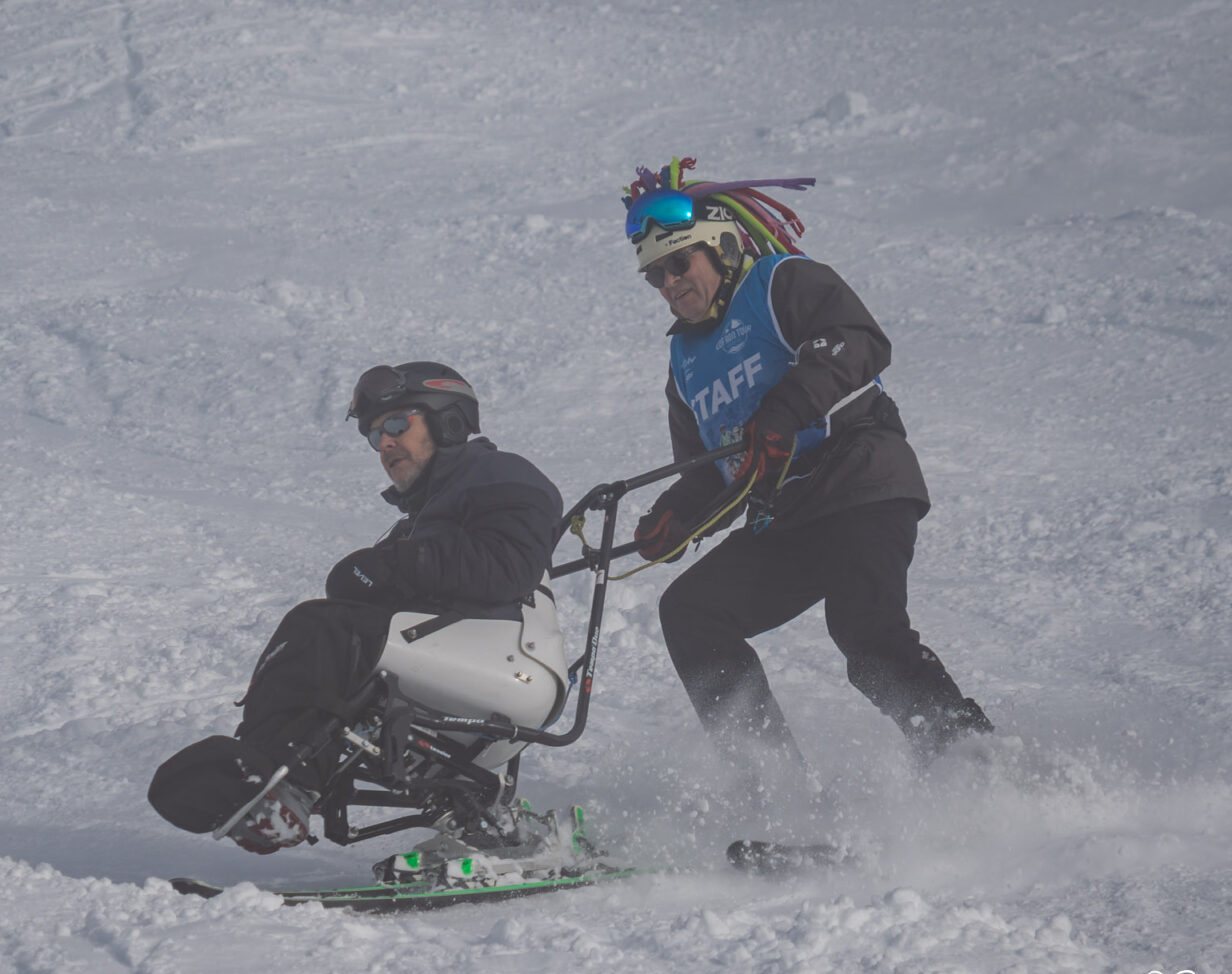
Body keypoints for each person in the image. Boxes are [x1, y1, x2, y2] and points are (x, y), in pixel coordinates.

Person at [620, 159, 992, 774]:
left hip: (860, 483)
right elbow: (712, 471)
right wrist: (676, 516)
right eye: (655, 275)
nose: (669, 283)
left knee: (866, 635)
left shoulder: (779, 282)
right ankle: (774, 789)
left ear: (722, 246)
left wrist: (785, 410)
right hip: (789, 520)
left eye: (679, 263)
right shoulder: (684, 362)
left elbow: (856, 338)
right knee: (691, 611)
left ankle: (973, 762)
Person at [147, 361, 563, 853]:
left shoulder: (500, 472)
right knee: (337, 660)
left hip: (509, 661)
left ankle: (282, 780)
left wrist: (394, 565)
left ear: (447, 421)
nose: (384, 444)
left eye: (396, 424)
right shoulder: (423, 516)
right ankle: (480, 820)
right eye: (373, 435)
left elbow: (510, 565)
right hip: (465, 664)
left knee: (320, 629)